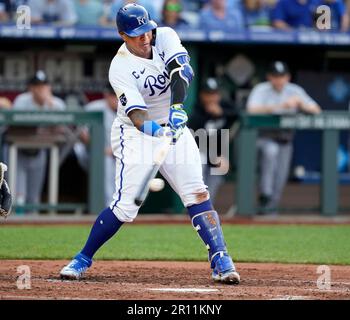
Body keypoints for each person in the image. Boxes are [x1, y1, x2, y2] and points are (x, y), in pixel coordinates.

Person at [60, 3, 240, 285]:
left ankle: (221, 258)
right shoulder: (120, 67)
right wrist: (158, 131)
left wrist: (177, 108)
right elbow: (137, 116)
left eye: (147, 31)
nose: (145, 38)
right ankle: (82, 258)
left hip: (173, 123)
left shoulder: (164, 35)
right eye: (137, 34)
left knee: (197, 193)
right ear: (122, 34)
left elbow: (182, 71)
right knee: (125, 207)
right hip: (135, 133)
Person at [246, 61, 321, 215]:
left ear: (288, 77)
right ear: (269, 77)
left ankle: (270, 211)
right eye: (275, 76)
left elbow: (316, 110)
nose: (278, 80)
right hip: (264, 137)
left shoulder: (295, 90)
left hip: (286, 140)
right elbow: (251, 109)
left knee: (281, 177)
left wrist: (301, 104)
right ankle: (265, 193)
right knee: (270, 152)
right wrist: (280, 106)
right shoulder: (261, 89)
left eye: (281, 76)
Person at [11, 70, 66, 212]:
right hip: (18, 152)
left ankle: (32, 224)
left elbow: (63, 126)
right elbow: (14, 126)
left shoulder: (57, 103)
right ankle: (17, 223)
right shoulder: (22, 100)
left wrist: (48, 103)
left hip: (40, 152)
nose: (40, 89)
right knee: (18, 195)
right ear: (31, 88)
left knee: (34, 196)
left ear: (49, 87)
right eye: (37, 85)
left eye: (43, 85)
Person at [188, 77, 237, 203]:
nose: (212, 98)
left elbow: (240, 114)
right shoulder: (197, 112)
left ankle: (207, 207)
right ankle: (194, 205)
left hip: (220, 155)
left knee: (218, 170)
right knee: (201, 160)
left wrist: (222, 113)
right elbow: (196, 142)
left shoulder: (225, 106)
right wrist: (214, 156)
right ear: (202, 95)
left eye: (214, 94)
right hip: (201, 154)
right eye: (208, 94)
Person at [74, 84, 118, 207]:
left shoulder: (127, 111)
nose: (117, 99)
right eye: (113, 95)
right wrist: (99, 149)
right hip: (91, 152)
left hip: (116, 153)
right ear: (106, 95)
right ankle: (108, 206)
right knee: (105, 161)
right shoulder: (94, 108)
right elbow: (82, 133)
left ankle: (126, 207)